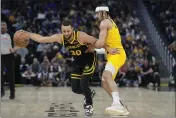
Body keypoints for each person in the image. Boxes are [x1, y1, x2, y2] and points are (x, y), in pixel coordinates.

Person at [16, 19, 116, 116]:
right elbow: (42, 39)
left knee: (84, 83)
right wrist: (28, 34)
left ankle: (88, 105)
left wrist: (108, 49)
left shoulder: (81, 36)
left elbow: (97, 41)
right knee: (75, 89)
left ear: (72, 29)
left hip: (88, 60)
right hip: (77, 61)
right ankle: (89, 93)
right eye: (64, 31)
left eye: (68, 31)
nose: (66, 33)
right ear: (61, 30)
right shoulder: (60, 38)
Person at [92, 6, 130, 116]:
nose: (96, 16)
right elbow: (105, 47)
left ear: (103, 12)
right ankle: (121, 106)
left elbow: (100, 43)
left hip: (116, 54)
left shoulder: (104, 23)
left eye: (97, 13)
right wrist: (98, 49)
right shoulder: (111, 22)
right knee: (104, 83)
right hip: (116, 54)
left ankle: (117, 103)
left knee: (106, 75)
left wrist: (88, 43)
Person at [1, 21, 15, 99]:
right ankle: (1, 90)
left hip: (9, 56)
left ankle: (12, 92)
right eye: (1, 25)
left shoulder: (10, 35)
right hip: (1, 56)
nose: (2, 26)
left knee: (11, 75)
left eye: (4, 25)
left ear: (6, 27)